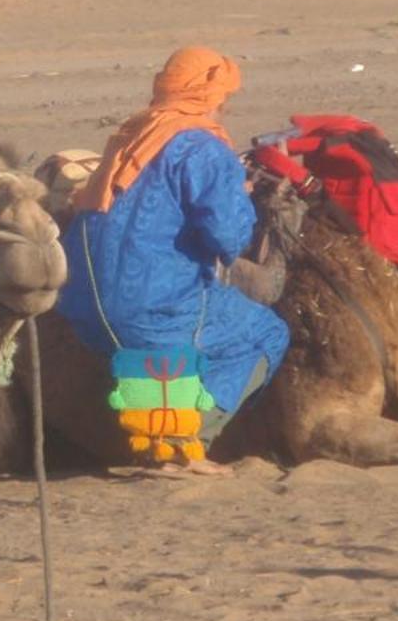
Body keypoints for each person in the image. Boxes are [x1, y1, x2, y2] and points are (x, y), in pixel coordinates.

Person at [54, 46, 290, 460]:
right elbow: (228, 239)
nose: (222, 109)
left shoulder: (131, 136)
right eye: (222, 99)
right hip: (152, 304)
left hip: (80, 302)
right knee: (265, 332)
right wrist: (242, 197)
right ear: (205, 95)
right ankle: (187, 442)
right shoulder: (203, 148)